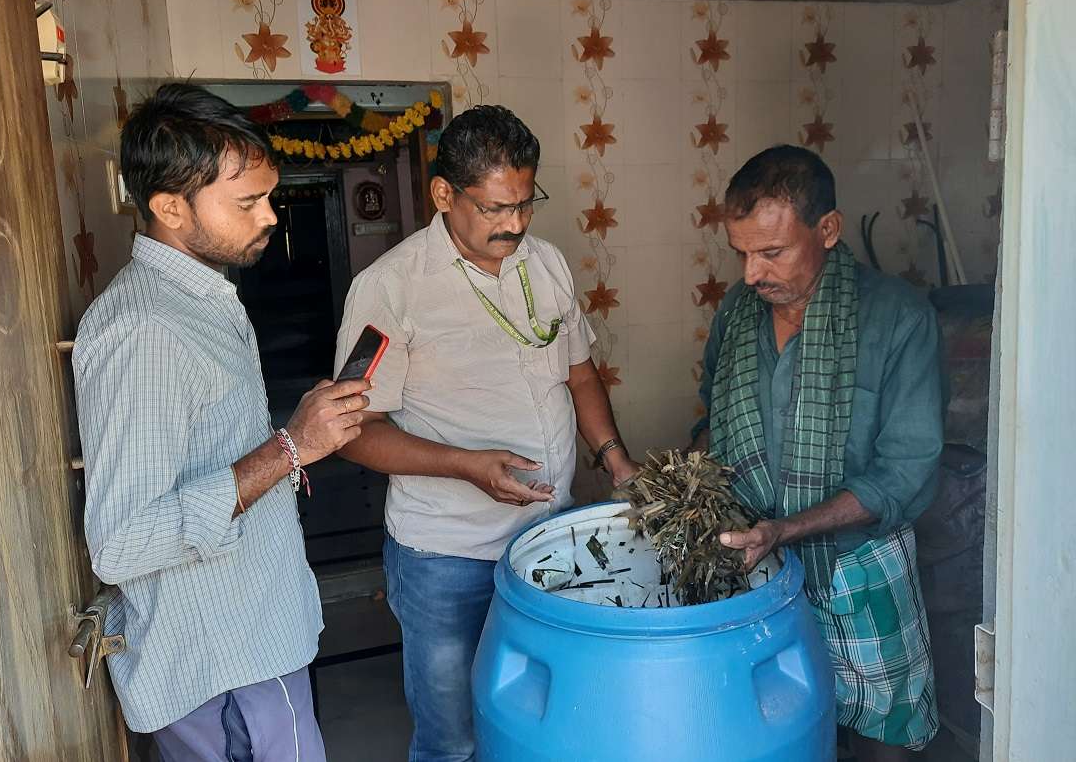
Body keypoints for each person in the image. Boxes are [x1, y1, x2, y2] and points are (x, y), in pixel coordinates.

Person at [75, 83, 372, 761]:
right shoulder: (146, 330)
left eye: (268, 196)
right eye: (248, 203)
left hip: (249, 638)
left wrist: (291, 440)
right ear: (169, 206)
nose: (270, 216)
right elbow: (122, 541)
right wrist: (292, 447)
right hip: (227, 662)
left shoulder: (201, 299)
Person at [336, 104, 637, 762]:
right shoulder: (390, 288)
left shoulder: (548, 264)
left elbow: (582, 377)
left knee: (539, 718)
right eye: (497, 208)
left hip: (549, 538)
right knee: (454, 738)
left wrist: (617, 462)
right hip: (447, 555)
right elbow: (354, 432)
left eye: (526, 204)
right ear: (444, 194)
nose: (515, 224)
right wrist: (466, 465)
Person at [693, 145, 943, 762]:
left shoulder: (896, 319)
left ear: (827, 230)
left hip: (860, 565)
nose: (752, 273)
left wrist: (787, 528)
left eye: (771, 252)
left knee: (886, 736)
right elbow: (712, 419)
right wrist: (684, 491)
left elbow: (906, 472)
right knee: (774, 729)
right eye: (743, 253)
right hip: (758, 569)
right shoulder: (736, 313)